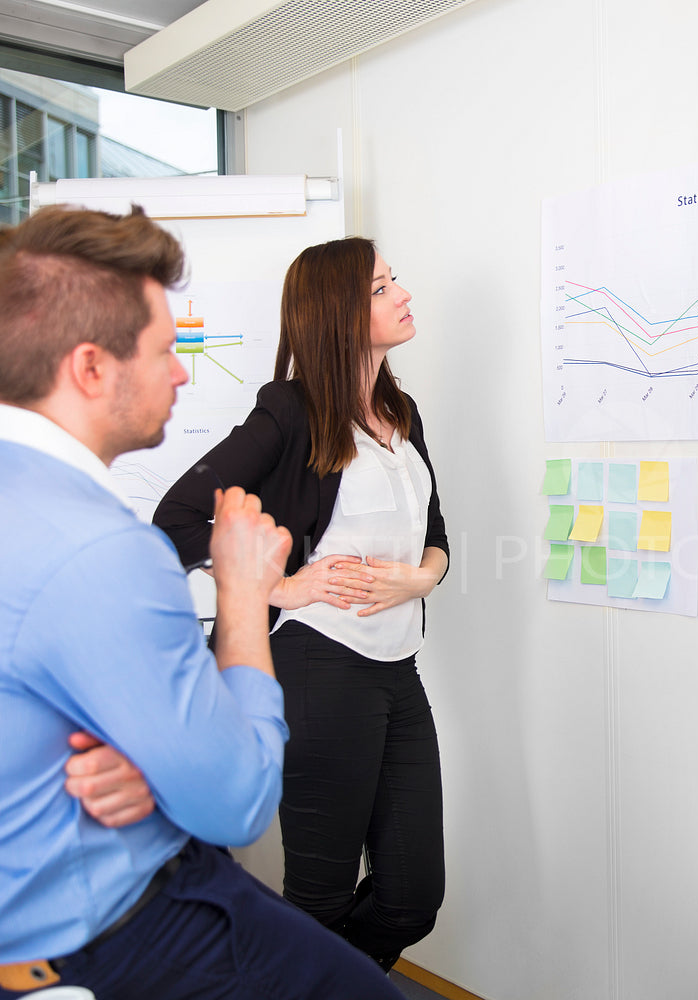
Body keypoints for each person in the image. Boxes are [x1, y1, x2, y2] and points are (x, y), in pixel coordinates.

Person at [0, 205, 406, 1000]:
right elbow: (238, 802)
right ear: (91, 368)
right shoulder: (103, 549)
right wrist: (242, 588)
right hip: (119, 931)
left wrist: (155, 763)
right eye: (166, 351)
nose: (183, 372)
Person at [155, 236, 449, 972]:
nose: (403, 295)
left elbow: (436, 534)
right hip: (319, 668)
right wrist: (282, 586)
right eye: (382, 288)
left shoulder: (400, 410)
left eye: (394, 282)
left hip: (397, 670)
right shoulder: (290, 411)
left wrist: (422, 577)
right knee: (318, 896)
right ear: (338, 314)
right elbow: (179, 518)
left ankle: (304, 986)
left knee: (412, 898)